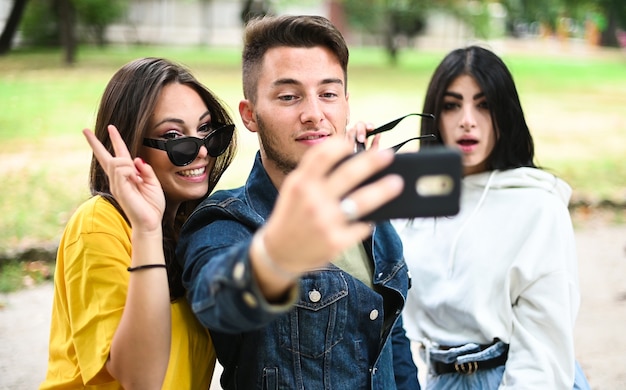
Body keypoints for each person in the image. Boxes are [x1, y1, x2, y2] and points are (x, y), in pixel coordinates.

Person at [178, 15, 420, 389]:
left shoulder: (369, 215)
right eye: (289, 96)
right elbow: (219, 301)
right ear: (250, 115)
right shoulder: (227, 221)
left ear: (345, 104)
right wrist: (278, 255)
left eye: (328, 94)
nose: (314, 114)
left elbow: (395, 346)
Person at [393, 45, 590, 389]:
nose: (467, 119)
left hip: (516, 377)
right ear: (434, 116)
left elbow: (543, 348)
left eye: (484, 105)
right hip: (438, 379)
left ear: (505, 114)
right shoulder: (414, 201)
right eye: (452, 105)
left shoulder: (537, 205)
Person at [40, 57, 237, 389]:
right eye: (174, 135)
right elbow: (141, 380)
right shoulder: (98, 226)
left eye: (206, 129)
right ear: (132, 147)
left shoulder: (192, 227)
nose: (202, 150)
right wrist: (146, 231)